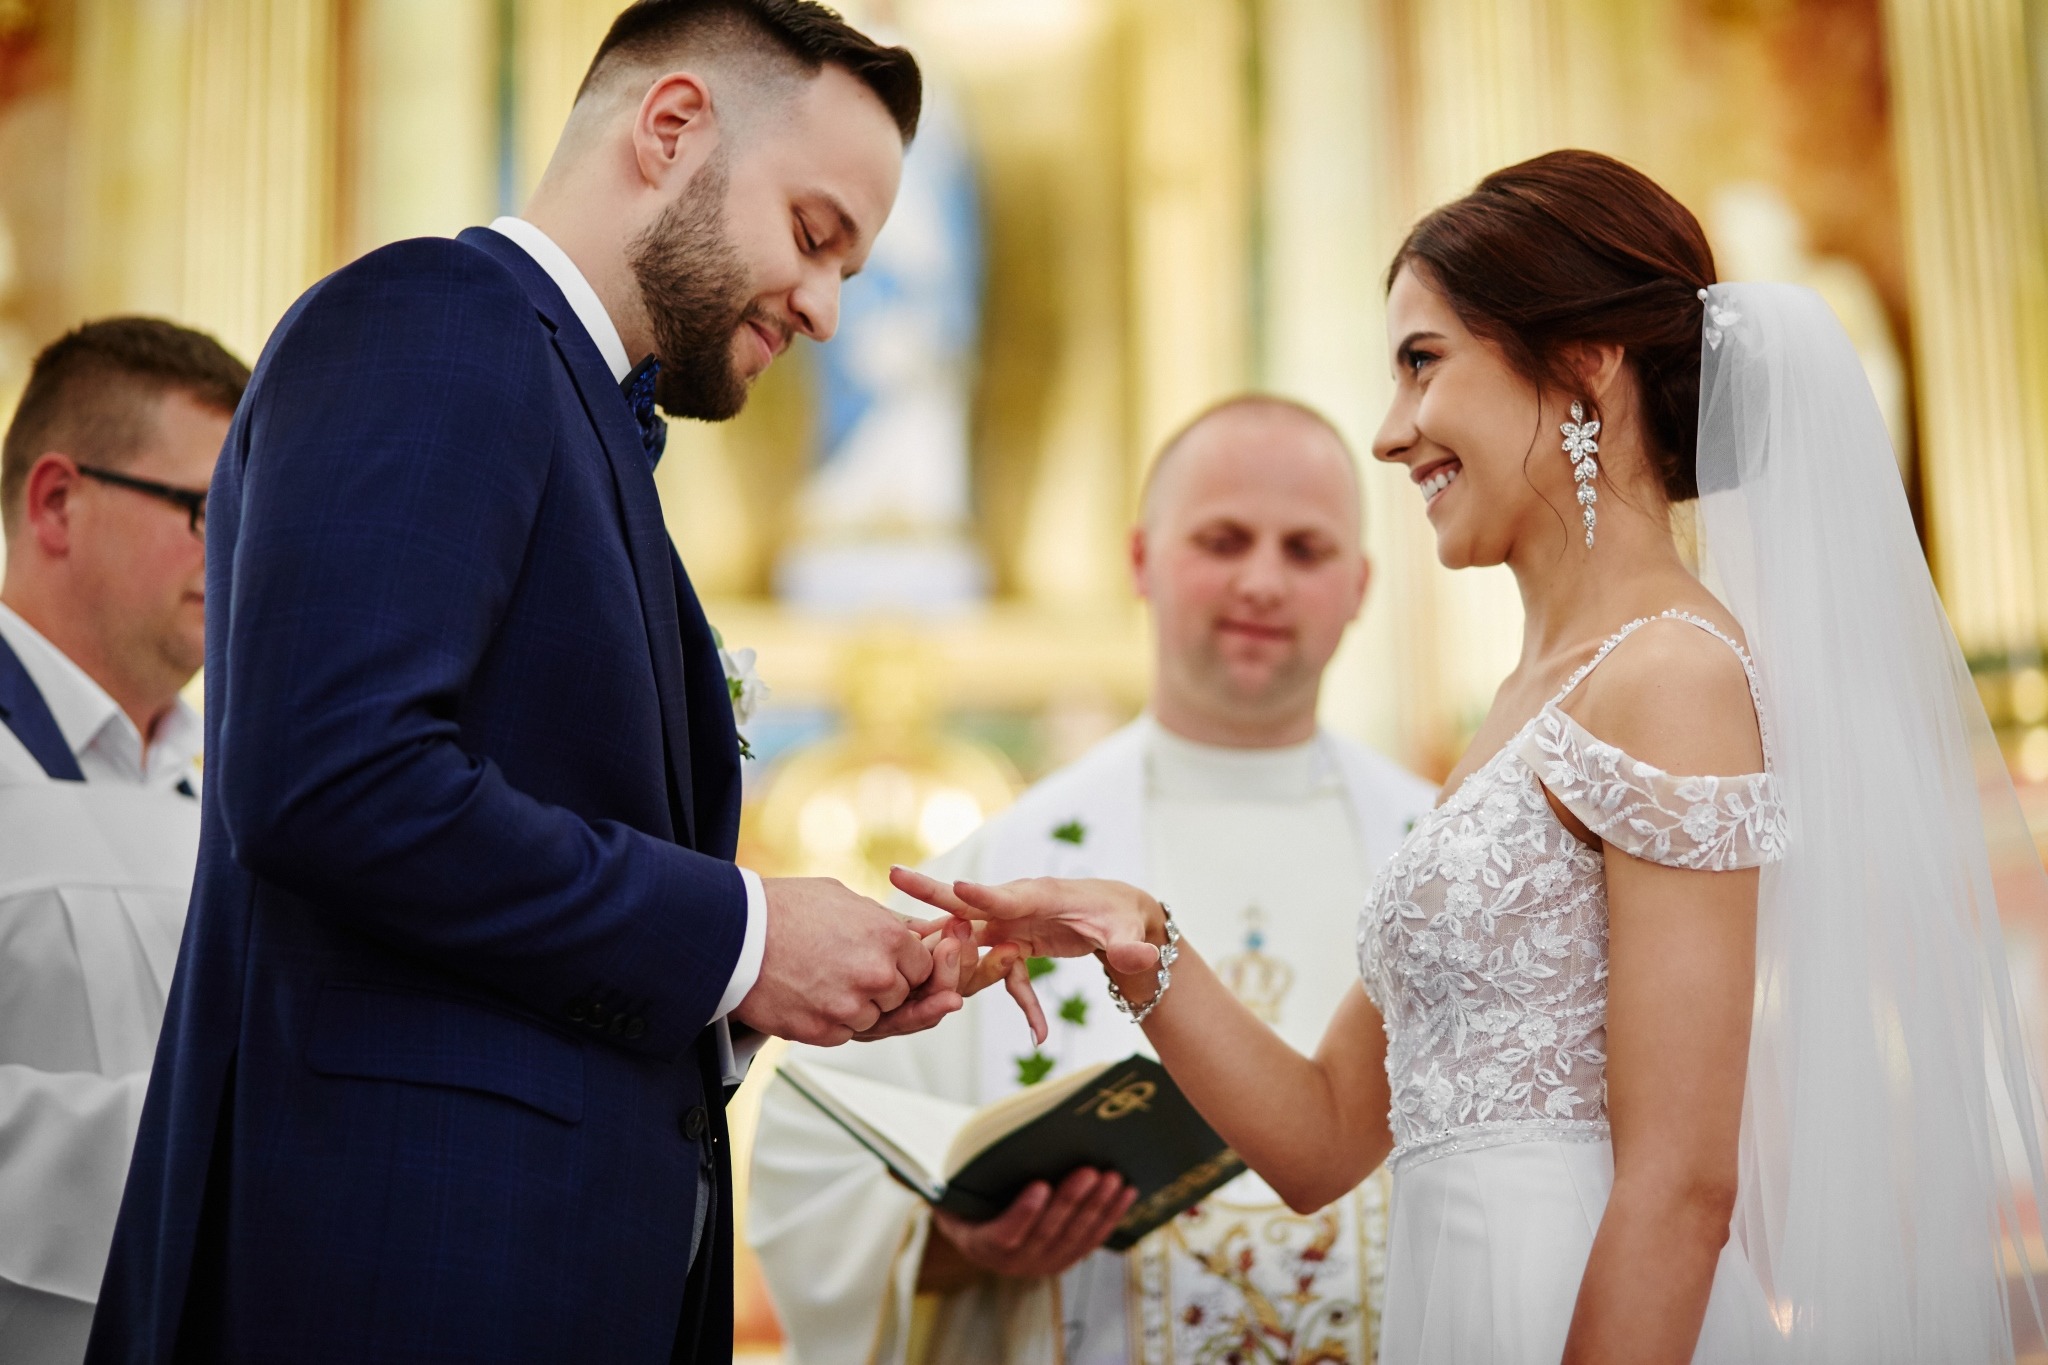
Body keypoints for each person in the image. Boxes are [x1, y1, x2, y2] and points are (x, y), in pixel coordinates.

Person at [896, 150, 2048, 1363]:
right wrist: (1134, 937)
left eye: (1421, 362)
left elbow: (1680, 1187)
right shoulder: (1527, 701)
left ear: (1581, 368)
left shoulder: (1673, 676)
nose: (1391, 437)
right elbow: (1325, 1136)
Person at [87, 5, 1026, 1362]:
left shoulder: (580, 416)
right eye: (816, 235)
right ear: (673, 126)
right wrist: (745, 936)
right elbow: (332, 778)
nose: (829, 309)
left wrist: (757, 984)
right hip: (396, 1275)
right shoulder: (435, 323)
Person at [750, 396, 1436, 1365]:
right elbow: (809, 1154)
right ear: (1140, 560)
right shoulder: (1008, 872)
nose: (1260, 581)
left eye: (1305, 550)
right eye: (1222, 538)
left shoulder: (1440, 851)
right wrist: (953, 1242)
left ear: (1360, 584)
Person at [0, 318, 245, 1364]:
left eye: (252, 512)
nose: (237, 548)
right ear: (58, 501)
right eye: (205, 509)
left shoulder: (238, 786)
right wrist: (227, 1151)